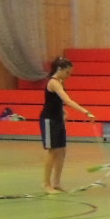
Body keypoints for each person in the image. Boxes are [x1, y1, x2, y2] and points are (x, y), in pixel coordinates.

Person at [41, 57, 94, 194]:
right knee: (52, 151)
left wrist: (62, 111)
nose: (69, 75)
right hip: (49, 120)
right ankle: (46, 184)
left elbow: (55, 101)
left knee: (62, 151)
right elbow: (67, 100)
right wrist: (85, 111)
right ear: (59, 69)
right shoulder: (53, 82)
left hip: (58, 119)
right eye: (67, 72)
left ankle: (56, 183)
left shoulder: (60, 81)